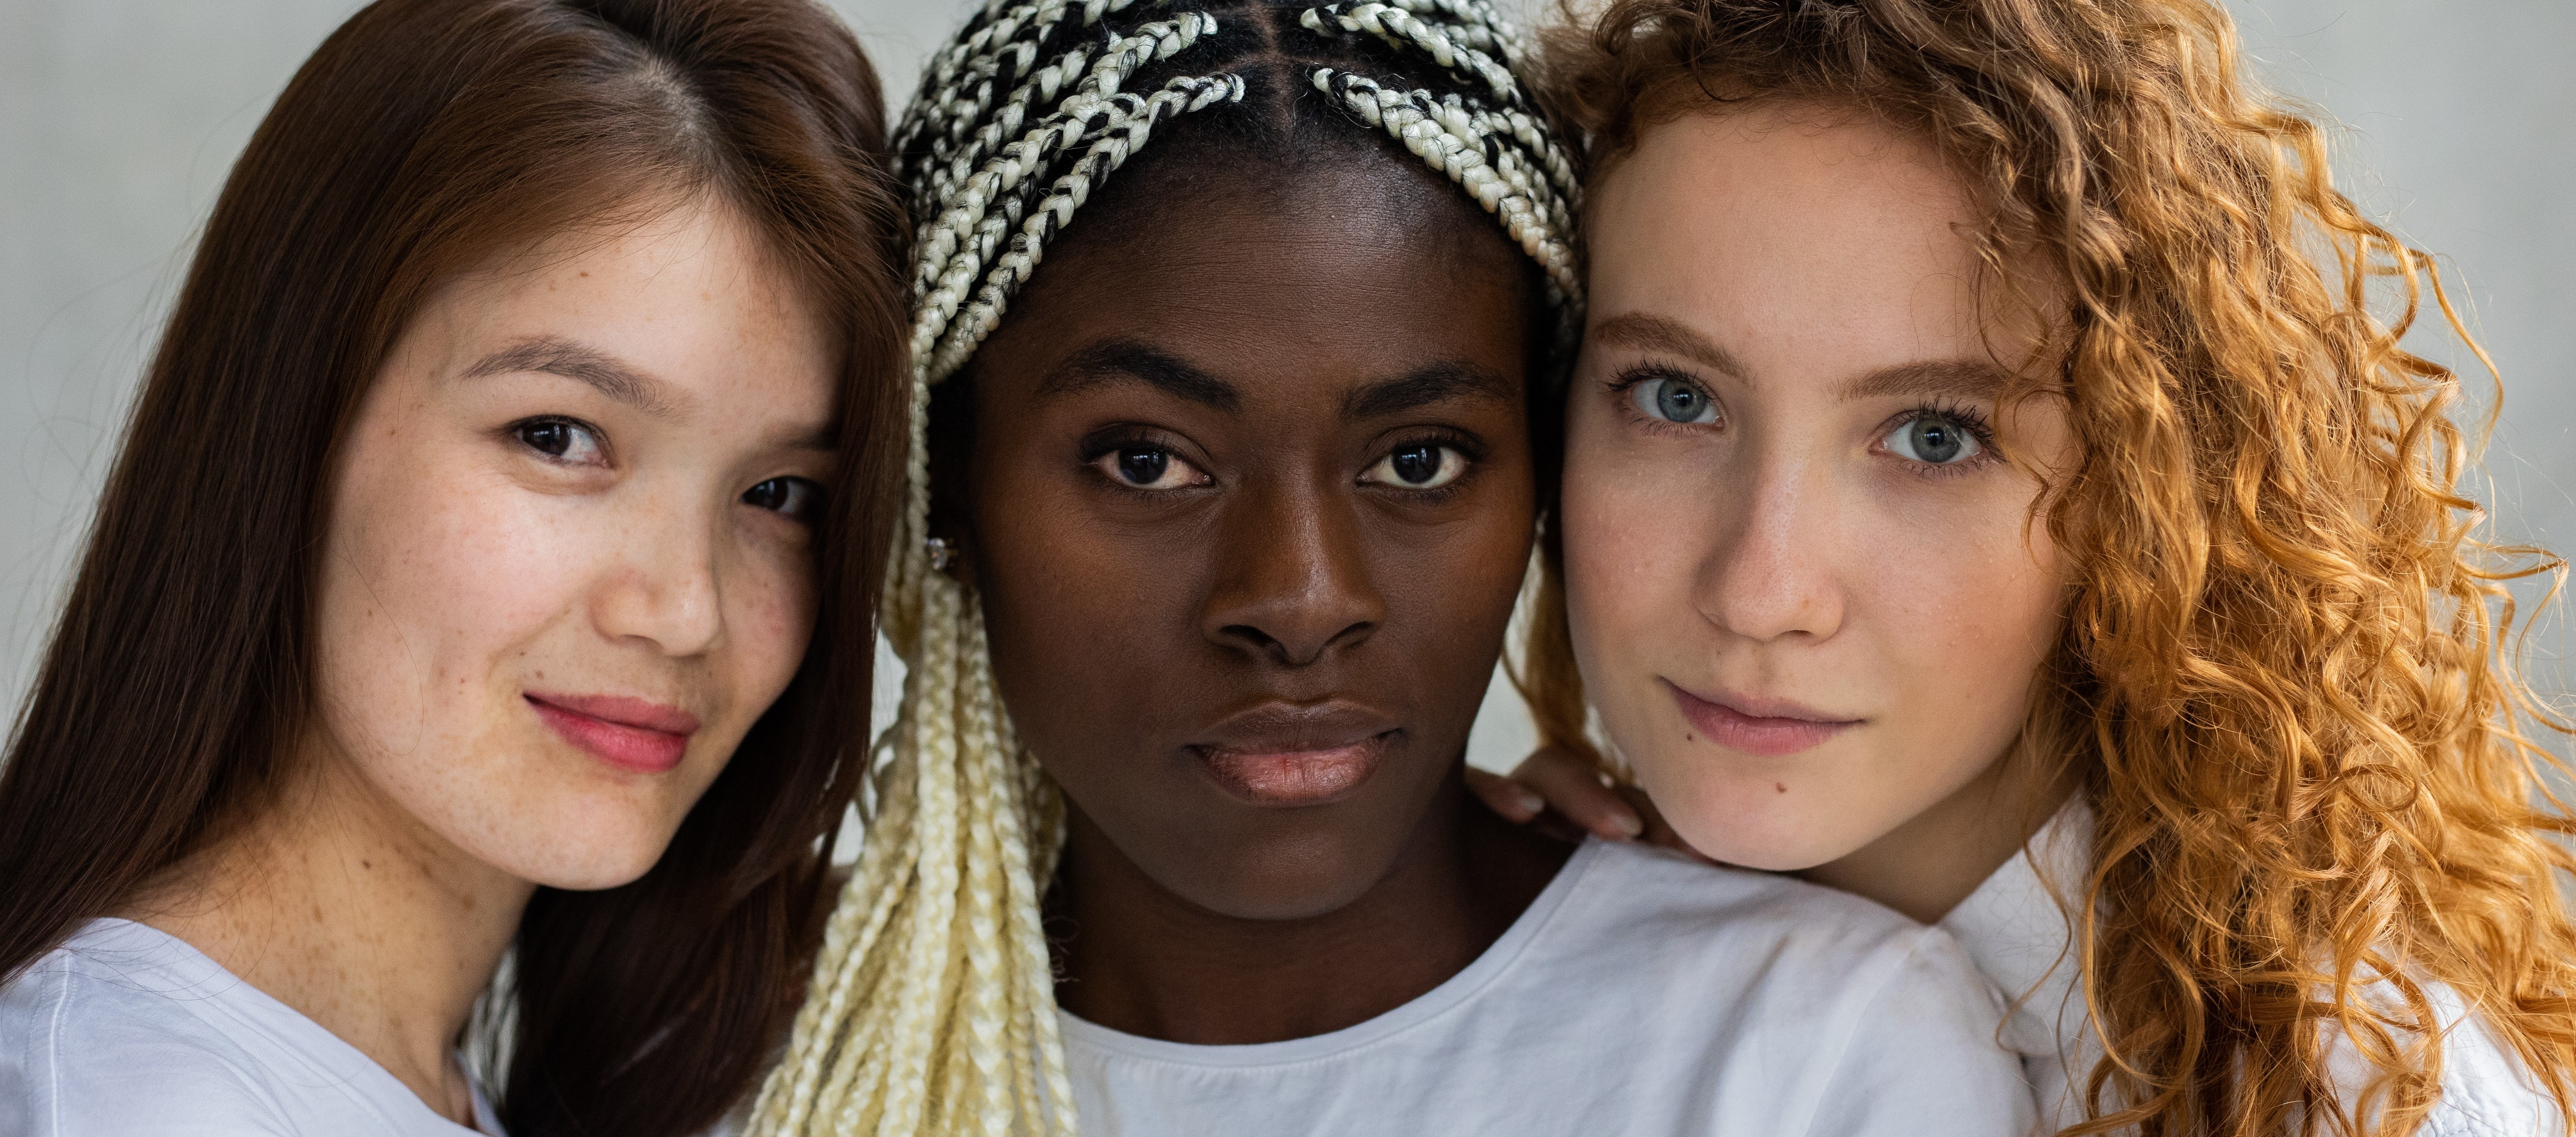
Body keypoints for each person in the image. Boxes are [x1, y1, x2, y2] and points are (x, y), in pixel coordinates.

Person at [748, 3, 2035, 1136]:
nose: (1303, 601)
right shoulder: (727, 1056)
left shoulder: (1813, 1050)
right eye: (1148, 463)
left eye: (1418, 460)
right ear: (944, 488)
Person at [1475, 0, 2576, 1134]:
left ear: (2142, 501)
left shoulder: (2348, 1100)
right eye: (1676, 398)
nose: (1761, 591)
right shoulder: (1604, 948)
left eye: (1935, 438)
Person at [0, 1, 908, 1134]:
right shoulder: (143, 1103)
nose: (685, 612)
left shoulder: (378, 1081)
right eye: (558, 437)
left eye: (778, 496)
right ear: (291, 422)